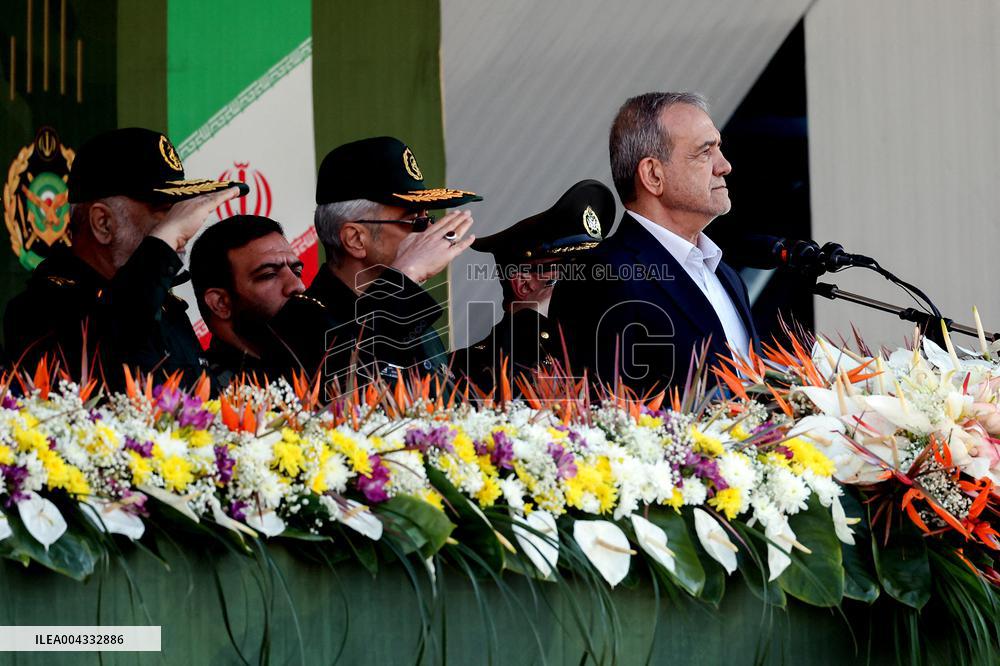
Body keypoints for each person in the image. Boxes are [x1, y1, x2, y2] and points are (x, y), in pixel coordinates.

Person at [550, 93, 758, 395]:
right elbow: (605, 419)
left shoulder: (726, 276)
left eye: (719, 149)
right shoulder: (601, 275)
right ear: (652, 175)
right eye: (704, 153)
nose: (724, 166)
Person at [4, 127, 245, 386]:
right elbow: (109, 351)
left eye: (178, 213)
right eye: (164, 213)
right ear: (103, 223)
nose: (181, 227)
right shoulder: (42, 309)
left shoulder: (167, 308)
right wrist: (164, 241)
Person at [309, 136, 481, 384]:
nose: (429, 235)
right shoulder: (306, 321)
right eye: (415, 221)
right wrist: (408, 273)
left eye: (428, 218)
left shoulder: (415, 322)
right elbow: (351, 385)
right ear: (356, 239)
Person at [454, 179, 614, 390]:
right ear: (524, 284)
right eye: (571, 268)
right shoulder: (471, 366)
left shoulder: (604, 346)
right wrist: (532, 317)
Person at [190, 214, 337, 387]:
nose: (297, 286)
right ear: (220, 303)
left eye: (296, 272)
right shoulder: (205, 396)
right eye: (269, 275)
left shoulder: (321, 361)